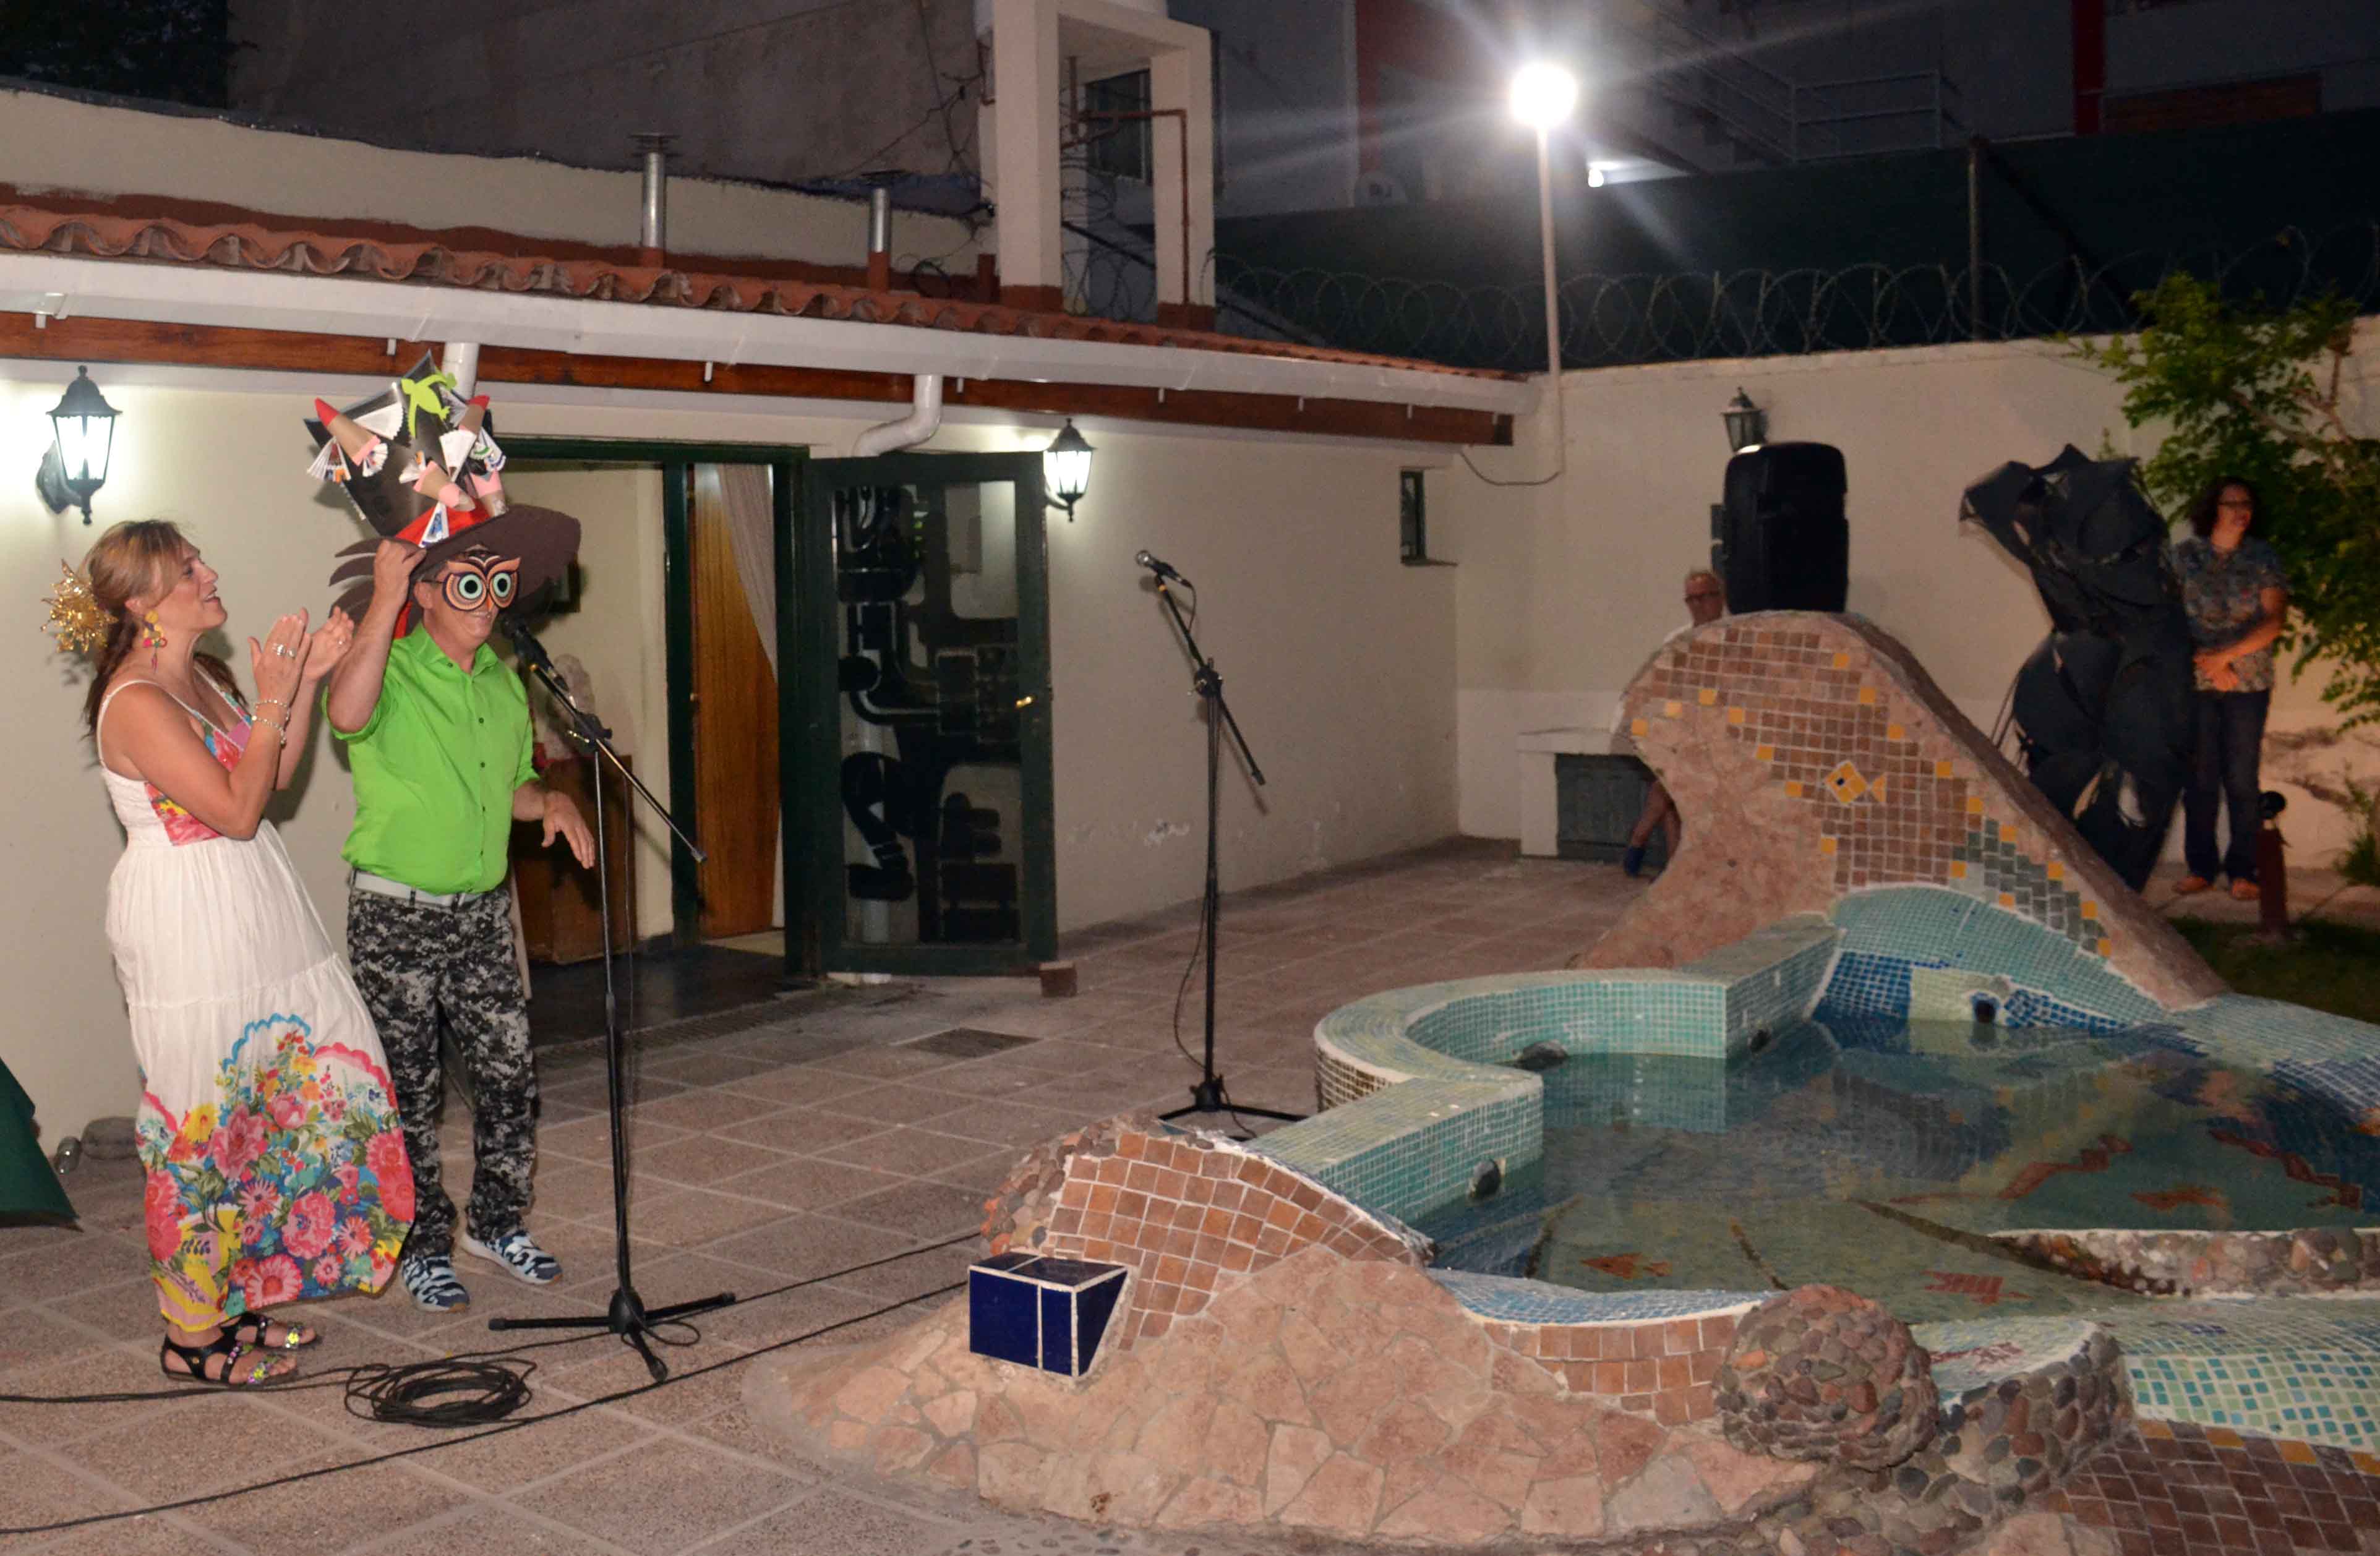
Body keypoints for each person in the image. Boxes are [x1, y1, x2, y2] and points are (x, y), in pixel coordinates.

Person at [46, 521, 411, 1385]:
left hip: (254, 900)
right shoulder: (135, 702)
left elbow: (270, 780)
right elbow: (236, 811)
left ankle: (235, 1295)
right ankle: (190, 1336)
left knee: (268, 1102)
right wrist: (277, 694)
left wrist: (305, 684)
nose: (209, 572)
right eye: (187, 569)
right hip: (187, 919)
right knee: (202, 1120)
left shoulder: (204, 676)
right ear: (142, 602)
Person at [308, 361, 591, 1313]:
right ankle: (422, 1243)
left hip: (480, 914)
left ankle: (498, 1223)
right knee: (411, 1093)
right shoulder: (387, 664)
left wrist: (549, 803)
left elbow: (509, 785)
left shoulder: (506, 684)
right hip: (397, 915)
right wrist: (383, 603)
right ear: (428, 590)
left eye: (497, 582)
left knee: (510, 1077)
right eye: (468, 580)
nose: (487, 597)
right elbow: (346, 717)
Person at [2170, 477, 2290, 901]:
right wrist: (2206, 660)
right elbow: (2167, 619)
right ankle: (2200, 867)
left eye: (2247, 503)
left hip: (2248, 682)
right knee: (2200, 778)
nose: (2241, 511)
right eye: (2232, 503)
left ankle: (2244, 870)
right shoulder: (2185, 557)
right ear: (2213, 509)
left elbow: (2274, 621)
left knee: (2241, 778)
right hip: (2196, 681)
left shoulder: (2262, 556)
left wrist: (2226, 658)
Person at [1622, 568, 1729, 878]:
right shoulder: (1678, 640)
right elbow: (1662, 684)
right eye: (1692, 600)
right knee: (1671, 785)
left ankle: (1640, 837)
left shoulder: (1736, 635)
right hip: (1681, 725)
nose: (1699, 605)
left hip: (1722, 729)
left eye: (1705, 597)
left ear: (1720, 598)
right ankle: (1673, 863)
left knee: (1673, 784)